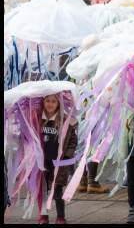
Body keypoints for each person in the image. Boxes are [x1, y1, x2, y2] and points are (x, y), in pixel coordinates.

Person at [39, 93, 79, 224]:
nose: (50, 104)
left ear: (58, 104)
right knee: (43, 190)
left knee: (57, 190)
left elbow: (73, 140)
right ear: (43, 103)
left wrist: (67, 155)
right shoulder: (38, 119)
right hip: (42, 162)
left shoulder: (65, 120)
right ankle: (43, 215)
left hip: (59, 163)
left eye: (53, 102)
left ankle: (60, 217)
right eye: (47, 101)